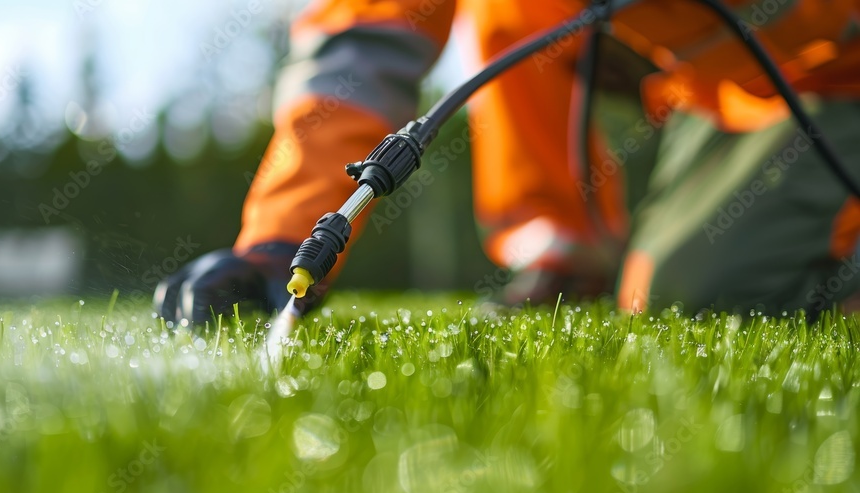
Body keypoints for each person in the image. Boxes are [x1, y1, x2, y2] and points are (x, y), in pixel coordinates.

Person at [155, 0, 860, 324]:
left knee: (725, 302)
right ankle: (567, 254)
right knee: (677, 304)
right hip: (750, 93)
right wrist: (282, 240)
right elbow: (362, 44)